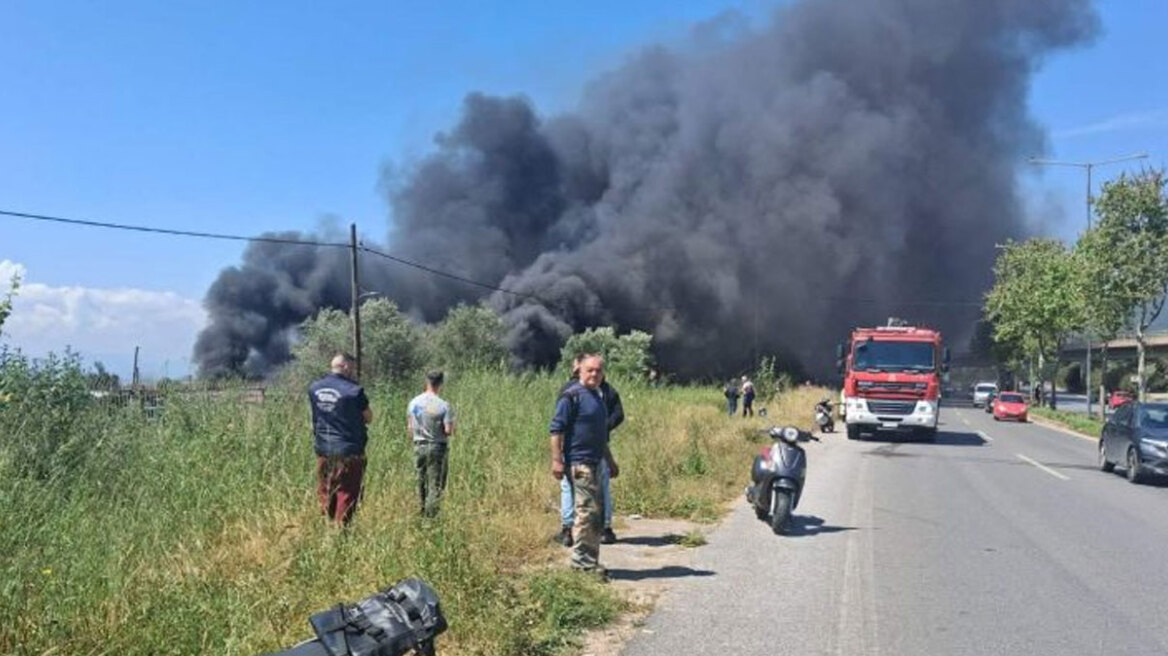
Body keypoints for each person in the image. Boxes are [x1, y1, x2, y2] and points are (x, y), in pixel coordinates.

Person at [549, 353, 618, 578]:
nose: (594, 374)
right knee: (586, 513)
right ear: (579, 370)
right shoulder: (571, 396)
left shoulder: (598, 396)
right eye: (590, 370)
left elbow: (601, 435)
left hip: (597, 462)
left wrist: (610, 461)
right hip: (579, 463)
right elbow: (556, 430)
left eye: (598, 370)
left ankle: (590, 561)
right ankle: (582, 565)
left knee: (595, 515)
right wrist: (557, 460)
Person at [308, 353, 373, 525]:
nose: (353, 371)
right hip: (349, 451)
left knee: (327, 490)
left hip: (323, 450)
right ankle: (341, 534)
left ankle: (327, 528)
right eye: (351, 367)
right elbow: (368, 417)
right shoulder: (354, 391)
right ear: (345, 366)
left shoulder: (314, 388)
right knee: (347, 493)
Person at [408, 370, 456, 517]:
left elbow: (410, 428)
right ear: (441, 383)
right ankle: (431, 518)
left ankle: (420, 513)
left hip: (418, 446)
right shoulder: (444, 405)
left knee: (421, 482)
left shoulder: (413, 403)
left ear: (426, 382)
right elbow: (448, 431)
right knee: (435, 485)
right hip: (437, 447)